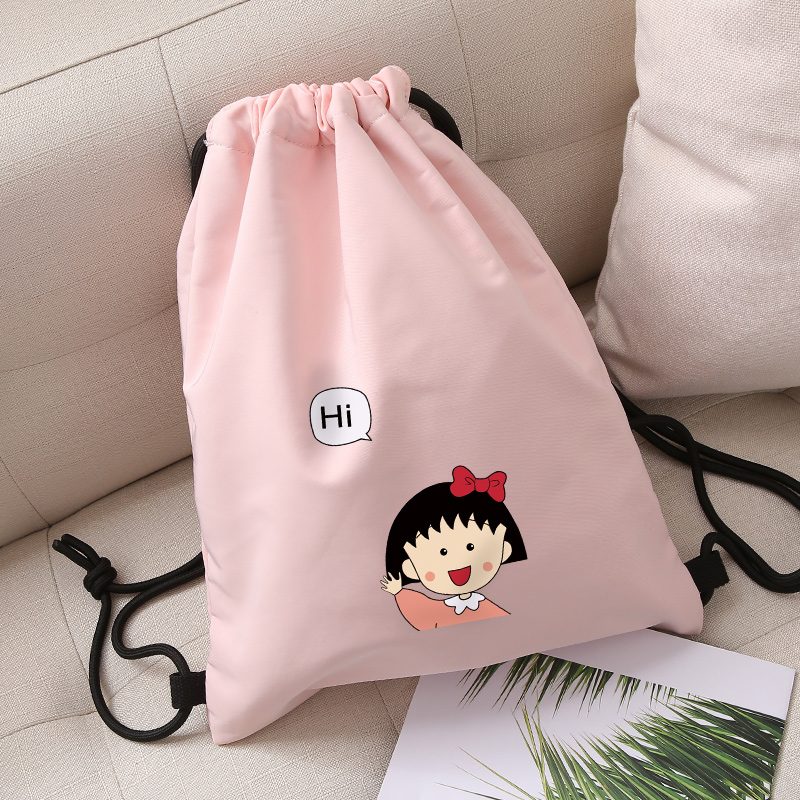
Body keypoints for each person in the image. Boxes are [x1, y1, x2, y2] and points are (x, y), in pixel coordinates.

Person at [381, 466, 527, 631]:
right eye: (442, 552)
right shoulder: (437, 611)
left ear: (504, 550)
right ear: (411, 568)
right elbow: (421, 614)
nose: (458, 564)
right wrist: (399, 592)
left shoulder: (490, 606)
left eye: (470, 547)